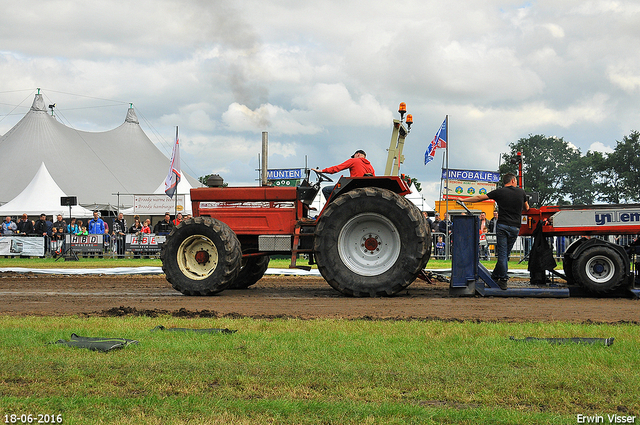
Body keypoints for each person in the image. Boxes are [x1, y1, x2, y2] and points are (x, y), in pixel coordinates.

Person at [463, 173, 529, 290]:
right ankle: (495, 276)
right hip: (515, 227)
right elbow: (527, 208)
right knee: (505, 255)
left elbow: (479, 198)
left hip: (503, 225)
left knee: (502, 255)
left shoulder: (499, 192)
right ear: (513, 180)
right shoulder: (521, 192)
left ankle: (503, 278)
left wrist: (463, 200)